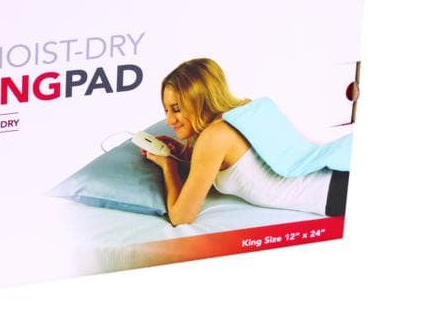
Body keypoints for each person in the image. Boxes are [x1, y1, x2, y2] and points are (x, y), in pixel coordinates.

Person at [142, 58, 348, 226]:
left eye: (177, 109)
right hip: (334, 175)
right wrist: (182, 152)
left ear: (199, 100)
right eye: (166, 110)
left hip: (334, 191)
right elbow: (235, 162)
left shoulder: (213, 137)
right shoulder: (242, 112)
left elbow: (180, 217)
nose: (169, 120)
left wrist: (168, 166)